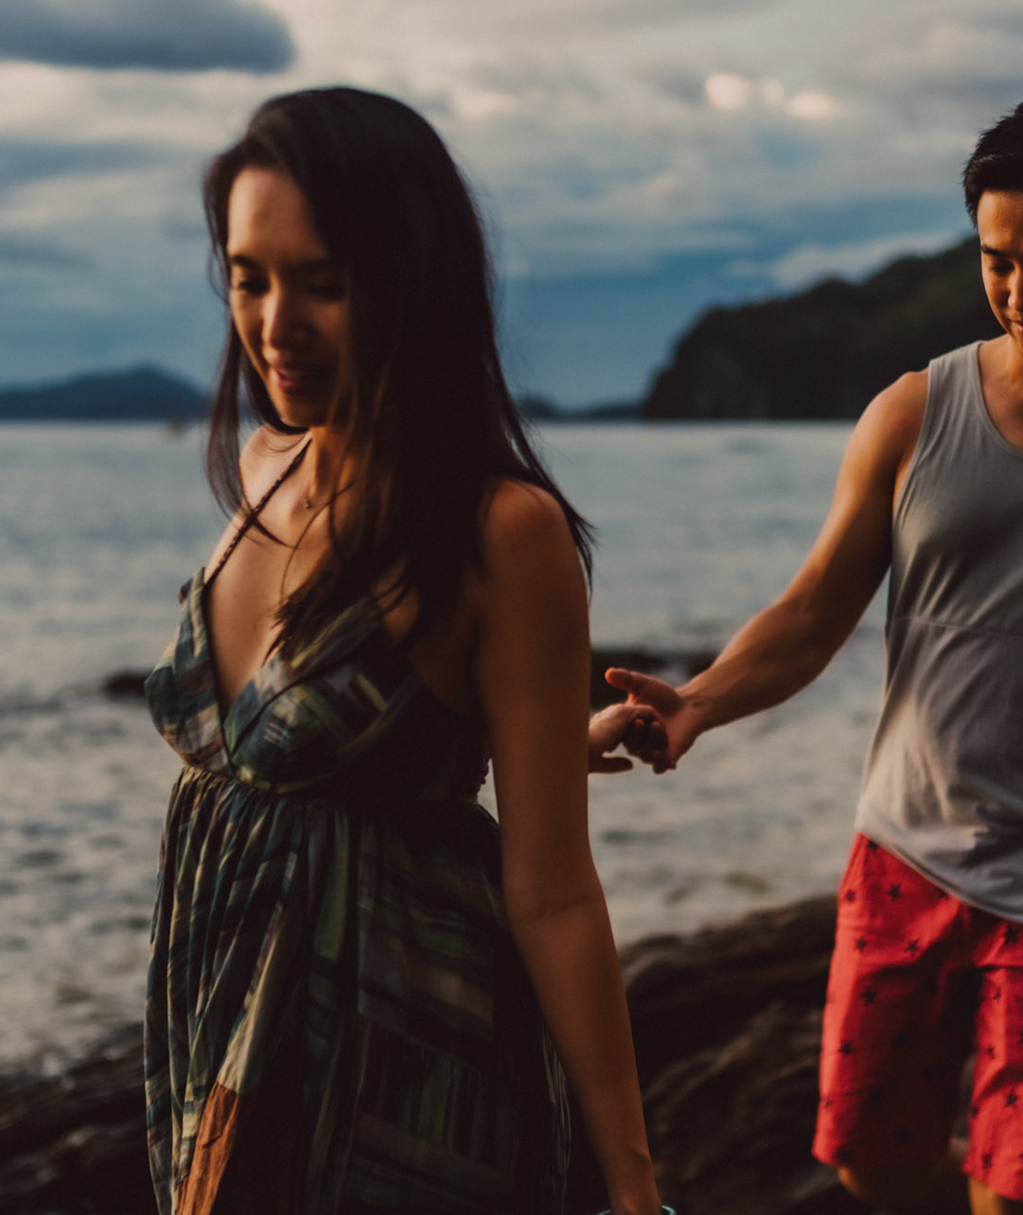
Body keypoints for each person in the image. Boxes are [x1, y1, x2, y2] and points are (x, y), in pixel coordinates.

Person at [605, 96, 1023, 1213]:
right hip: (902, 862)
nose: (1021, 294)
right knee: (868, 1157)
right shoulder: (916, 414)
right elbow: (815, 606)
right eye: (996, 262)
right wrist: (697, 704)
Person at [141, 87, 664, 1214]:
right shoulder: (266, 469)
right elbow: (326, 765)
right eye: (248, 276)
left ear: (409, 278)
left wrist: (630, 1180)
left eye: (321, 281)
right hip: (221, 1031)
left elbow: (556, 890)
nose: (276, 322)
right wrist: (533, 745)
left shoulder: (499, 530)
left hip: (407, 1080)